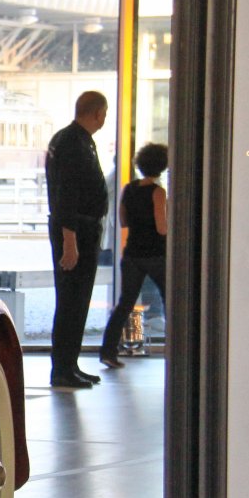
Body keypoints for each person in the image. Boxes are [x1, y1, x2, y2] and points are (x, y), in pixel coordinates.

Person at [46, 89, 112, 389]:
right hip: (75, 231)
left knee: (77, 300)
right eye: (104, 113)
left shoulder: (74, 139)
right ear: (98, 113)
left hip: (80, 228)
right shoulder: (74, 144)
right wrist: (69, 241)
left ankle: (69, 364)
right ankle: (62, 369)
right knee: (72, 300)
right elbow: (67, 195)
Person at [98, 142, 169, 368]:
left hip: (132, 254)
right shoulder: (158, 192)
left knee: (124, 304)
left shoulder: (128, 189)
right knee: (170, 300)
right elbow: (162, 228)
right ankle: (177, 349)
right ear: (162, 166)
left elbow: (123, 221)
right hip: (155, 255)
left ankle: (108, 351)